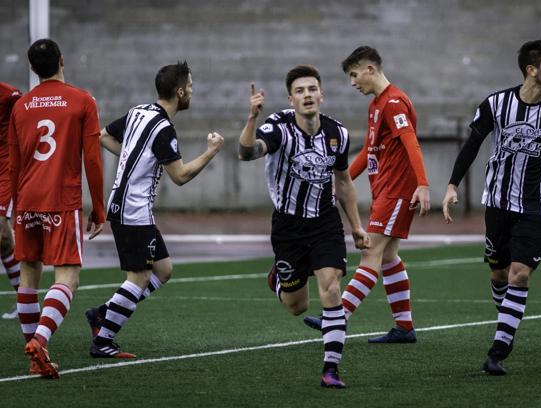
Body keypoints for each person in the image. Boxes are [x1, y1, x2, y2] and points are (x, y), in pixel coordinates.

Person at [441, 40, 541, 375]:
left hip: (537, 207)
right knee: (499, 272)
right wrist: (452, 185)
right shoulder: (496, 104)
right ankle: (508, 316)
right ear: (532, 70)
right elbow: (473, 144)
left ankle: (499, 349)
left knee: (520, 274)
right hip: (498, 204)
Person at [238, 64, 370, 388]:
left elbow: (343, 182)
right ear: (290, 99)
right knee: (298, 306)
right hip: (288, 225)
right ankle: (279, 281)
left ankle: (331, 369)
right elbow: (246, 152)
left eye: (312, 89)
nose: (307, 95)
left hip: (325, 221)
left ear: (321, 95)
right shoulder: (278, 127)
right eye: (300, 91)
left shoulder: (337, 133)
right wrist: (253, 117)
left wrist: (356, 226)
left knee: (331, 286)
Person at [85, 61, 224, 359]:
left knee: (163, 270)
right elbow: (181, 176)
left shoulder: (138, 111)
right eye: (191, 87)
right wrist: (211, 152)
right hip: (133, 211)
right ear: (180, 91)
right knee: (139, 277)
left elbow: (104, 135)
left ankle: (103, 313)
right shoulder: (163, 129)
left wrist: (134, 157)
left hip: (127, 207)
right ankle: (103, 340)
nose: (192, 92)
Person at [304, 46, 431, 343]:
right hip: (385, 190)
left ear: (370, 69)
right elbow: (368, 153)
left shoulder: (395, 102)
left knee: (370, 252)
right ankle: (404, 327)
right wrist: (338, 181)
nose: (352, 82)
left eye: (353, 74)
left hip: (397, 192)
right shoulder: (377, 105)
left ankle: (336, 316)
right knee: (388, 256)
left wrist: (423, 184)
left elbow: (411, 143)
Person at [8, 39, 106, 378]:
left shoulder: (20, 106)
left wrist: (12, 208)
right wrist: (99, 207)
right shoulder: (82, 101)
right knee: (68, 278)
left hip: (26, 200)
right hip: (61, 200)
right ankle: (40, 341)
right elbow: (91, 159)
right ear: (62, 60)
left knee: (28, 277)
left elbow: (14, 165)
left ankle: (35, 359)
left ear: (33, 69)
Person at [0, 82, 22, 320]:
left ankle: (24, 299)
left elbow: (30, 118)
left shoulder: (9, 95)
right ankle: (24, 298)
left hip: (4, 171)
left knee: (2, 233)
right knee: (5, 243)